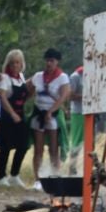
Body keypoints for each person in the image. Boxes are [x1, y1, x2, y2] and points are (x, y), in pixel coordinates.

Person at [28, 48, 71, 177]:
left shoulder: (63, 78)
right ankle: (37, 178)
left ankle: (54, 175)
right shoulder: (38, 76)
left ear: (57, 62)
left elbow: (63, 97)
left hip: (53, 115)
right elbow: (27, 90)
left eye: (51, 61)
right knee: (38, 149)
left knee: (54, 149)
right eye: (47, 60)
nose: (49, 63)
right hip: (38, 113)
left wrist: (50, 111)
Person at [0, 50, 29, 183]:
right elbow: (2, 96)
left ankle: (15, 174)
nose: (15, 65)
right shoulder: (5, 78)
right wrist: (12, 113)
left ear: (21, 64)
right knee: (6, 147)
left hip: (21, 113)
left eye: (18, 62)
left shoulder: (21, 77)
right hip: (8, 116)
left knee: (23, 145)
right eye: (12, 62)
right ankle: (1, 176)